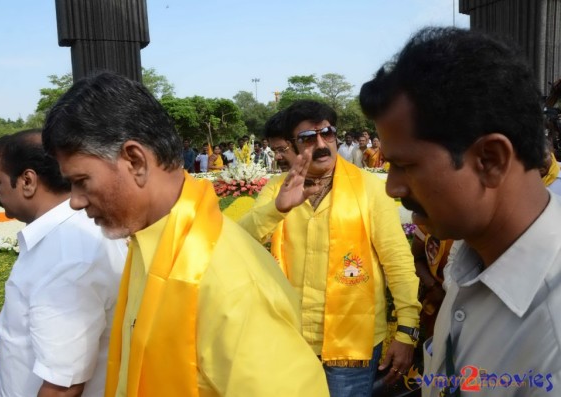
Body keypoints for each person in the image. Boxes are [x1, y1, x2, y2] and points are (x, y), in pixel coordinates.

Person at [41, 72, 329, 397]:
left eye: (82, 181)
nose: (76, 201)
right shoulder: (156, 240)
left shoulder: (227, 283)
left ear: (135, 161)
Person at [360, 26, 561, 397]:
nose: (392, 188)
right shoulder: (468, 261)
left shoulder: (552, 332)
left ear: (490, 160)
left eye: (405, 165)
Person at [239, 99, 421, 397]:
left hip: (353, 346)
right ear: (293, 146)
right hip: (291, 338)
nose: (322, 144)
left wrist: (406, 330)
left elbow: (397, 260)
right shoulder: (276, 189)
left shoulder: (369, 188)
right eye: (309, 139)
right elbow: (235, 243)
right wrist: (277, 209)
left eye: (327, 133)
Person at [0, 129, 126, 397]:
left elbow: (63, 387)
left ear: (27, 181)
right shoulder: (64, 236)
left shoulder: (66, 257)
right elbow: (37, 306)